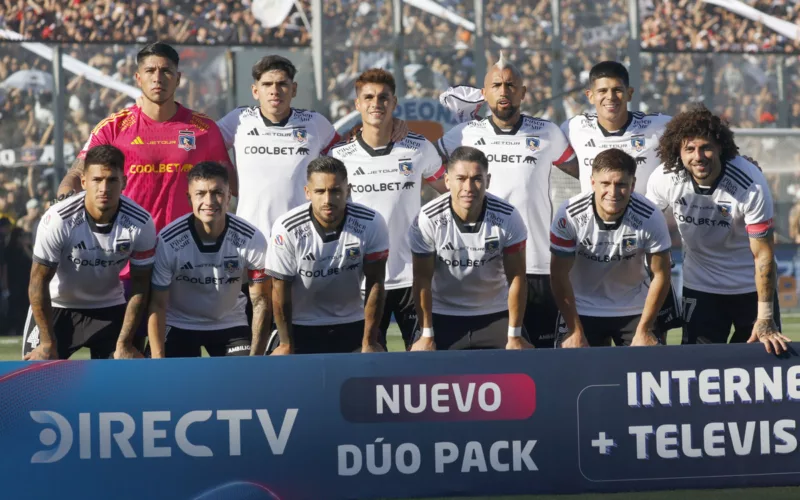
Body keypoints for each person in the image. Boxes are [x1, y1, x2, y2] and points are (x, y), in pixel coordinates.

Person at [57, 41, 234, 350]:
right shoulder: (115, 126)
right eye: (150, 71)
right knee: (123, 356)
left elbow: (225, 187)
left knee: (175, 363)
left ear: (178, 78)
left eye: (166, 71)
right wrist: (66, 188)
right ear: (138, 78)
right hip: (124, 264)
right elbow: (80, 167)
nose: (158, 78)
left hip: (183, 262)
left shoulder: (203, 129)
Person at [434, 54, 577, 349]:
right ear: (484, 94)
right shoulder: (462, 134)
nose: (504, 91)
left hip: (536, 264)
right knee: (488, 357)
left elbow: (584, 170)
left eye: (511, 85)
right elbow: (427, 167)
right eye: (496, 85)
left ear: (523, 93)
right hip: (483, 267)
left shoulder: (547, 132)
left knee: (541, 357)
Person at [646, 106, 790, 354]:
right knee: (697, 364)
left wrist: (765, 316)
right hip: (700, 286)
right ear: (677, 151)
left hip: (750, 288)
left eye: (706, 147)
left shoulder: (750, 182)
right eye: (689, 149)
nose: (698, 156)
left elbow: (764, 255)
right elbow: (647, 225)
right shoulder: (664, 177)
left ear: (721, 147)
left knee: (760, 361)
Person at [559, 60, 682, 338]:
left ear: (630, 93)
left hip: (643, 247)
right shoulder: (574, 127)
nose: (610, 97)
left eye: (617, 90)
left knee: (647, 353)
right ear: (589, 95)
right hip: (592, 250)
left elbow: (701, 141)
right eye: (602, 91)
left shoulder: (659, 126)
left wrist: (736, 160)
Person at [328, 68, 446, 349]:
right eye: (368, 97)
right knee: (366, 361)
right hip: (361, 280)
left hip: (412, 277)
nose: (376, 104)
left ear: (394, 103)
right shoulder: (338, 157)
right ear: (357, 104)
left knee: (424, 362)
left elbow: (452, 192)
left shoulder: (418, 149)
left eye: (384, 98)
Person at [23, 145, 156, 360]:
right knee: (36, 379)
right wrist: (47, 343)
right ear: (84, 182)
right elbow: (38, 281)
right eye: (97, 180)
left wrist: (125, 342)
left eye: (112, 180)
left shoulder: (141, 222)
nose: (104, 188)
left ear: (124, 182)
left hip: (109, 307)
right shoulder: (58, 219)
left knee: (123, 383)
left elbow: (141, 285)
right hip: (58, 306)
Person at [265, 157, 390, 355]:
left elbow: (376, 283)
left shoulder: (372, 222)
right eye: (320, 191)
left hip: (351, 321)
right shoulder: (286, 228)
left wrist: (369, 341)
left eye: (335, 191)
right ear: (307, 192)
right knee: (280, 379)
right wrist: (286, 343)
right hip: (301, 324)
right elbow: (280, 291)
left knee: (375, 370)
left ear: (347, 191)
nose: (327, 200)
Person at [409, 146, 530, 351]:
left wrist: (515, 335)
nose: (469, 187)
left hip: (495, 312)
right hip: (443, 313)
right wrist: (427, 335)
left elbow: (517, 277)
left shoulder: (508, 216)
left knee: (523, 367)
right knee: (423, 372)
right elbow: (422, 280)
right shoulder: (427, 218)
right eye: (461, 178)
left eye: (476, 178)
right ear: (447, 181)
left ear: (488, 181)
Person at [550, 149, 671, 348]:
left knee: (647, 367)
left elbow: (661, 274)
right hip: (581, 308)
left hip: (634, 308)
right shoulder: (569, 215)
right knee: (573, 371)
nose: (613, 193)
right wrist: (575, 330)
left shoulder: (650, 216)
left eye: (621, 184)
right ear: (592, 183)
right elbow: (558, 275)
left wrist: (645, 329)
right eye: (605, 184)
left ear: (632, 185)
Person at [147, 162, 270, 358]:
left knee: (243, 384)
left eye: (217, 192)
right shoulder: (168, 240)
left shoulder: (251, 238)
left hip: (230, 323)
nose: (209, 201)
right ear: (189, 198)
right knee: (170, 385)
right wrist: (157, 359)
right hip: (180, 324)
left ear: (229, 196)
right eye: (200, 194)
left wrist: (255, 358)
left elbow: (261, 301)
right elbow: (158, 304)